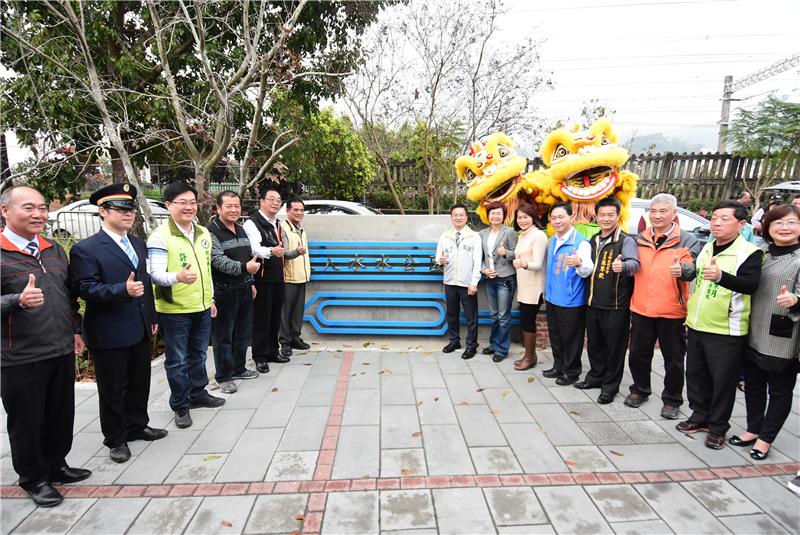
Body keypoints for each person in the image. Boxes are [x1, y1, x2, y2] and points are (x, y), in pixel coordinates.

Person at [1, 185, 91, 507]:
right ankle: (34, 478)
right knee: (27, 420)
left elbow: (68, 297)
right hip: (20, 354)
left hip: (60, 347)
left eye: (42, 207)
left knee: (59, 414)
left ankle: (57, 465)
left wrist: (76, 330)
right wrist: (16, 301)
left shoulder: (53, 249)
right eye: (29, 208)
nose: (39, 214)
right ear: (6, 211)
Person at [70, 184, 167, 464]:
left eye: (131, 209)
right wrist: (120, 291)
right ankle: (116, 437)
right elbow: (85, 288)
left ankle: (137, 424)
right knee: (113, 388)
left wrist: (151, 317)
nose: (129, 214)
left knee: (140, 381)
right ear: (102, 211)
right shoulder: (86, 249)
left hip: (138, 326)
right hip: (109, 329)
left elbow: (145, 285)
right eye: (121, 209)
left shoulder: (137, 243)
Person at [678, 200, 763, 450]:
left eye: (725, 218)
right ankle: (699, 415)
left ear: (741, 224)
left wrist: (722, 277)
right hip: (697, 323)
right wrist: (685, 271)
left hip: (726, 330)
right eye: (714, 217)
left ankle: (717, 428)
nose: (717, 222)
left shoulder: (749, 253)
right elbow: (700, 277)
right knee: (695, 375)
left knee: (722, 382)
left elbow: (751, 286)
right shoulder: (708, 247)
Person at [147, 182, 225, 430]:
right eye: (182, 203)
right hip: (174, 310)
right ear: (168, 205)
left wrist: (210, 299)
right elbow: (155, 274)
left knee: (199, 354)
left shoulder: (202, 233)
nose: (189, 207)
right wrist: (177, 277)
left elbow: (207, 271)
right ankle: (180, 404)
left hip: (201, 306)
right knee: (177, 360)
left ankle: (198, 392)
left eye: (192, 202)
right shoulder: (160, 236)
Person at [728, 204, 799, 460]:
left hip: (784, 336)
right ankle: (753, 428)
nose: (784, 228)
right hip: (754, 329)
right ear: (767, 226)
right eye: (778, 223)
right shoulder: (761, 253)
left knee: (779, 390)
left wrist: (796, 300)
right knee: (754, 385)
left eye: (791, 223)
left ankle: (766, 439)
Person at [626, 193, 702, 419]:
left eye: (663, 211)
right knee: (638, 354)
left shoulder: (687, 240)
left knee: (674, 359)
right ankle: (640, 390)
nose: (657, 216)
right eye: (654, 211)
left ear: (674, 214)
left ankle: (672, 400)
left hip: (672, 310)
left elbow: (694, 267)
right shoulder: (639, 238)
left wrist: (684, 271)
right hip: (641, 307)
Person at [576, 197, 640, 403]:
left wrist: (625, 266)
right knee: (594, 345)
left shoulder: (625, 240)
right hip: (593, 303)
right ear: (596, 215)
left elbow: (634, 264)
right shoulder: (593, 240)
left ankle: (610, 386)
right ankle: (595, 377)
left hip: (616, 305)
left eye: (610, 215)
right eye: (602, 214)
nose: (605, 219)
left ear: (618, 216)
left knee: (614, 348)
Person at [208, 191, 260, 395]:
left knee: (243, 332)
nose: (233, 210)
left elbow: (248, 257)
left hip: (245, 287)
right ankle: (224, 376)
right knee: (223, 336)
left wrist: (251, 281)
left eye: (236, 206)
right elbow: (218, 261)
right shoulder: (211, 231)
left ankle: (239, 368)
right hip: (224, 290)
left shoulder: (240, 228)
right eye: (228, 206)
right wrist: (245, 269)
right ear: (218, 209)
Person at [542, 202, 593, 386]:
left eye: (560, 217)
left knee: (571, 338)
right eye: (553, 218)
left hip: (571, 301)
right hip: (553, 297)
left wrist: (579, 262)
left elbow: (588, 269)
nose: (556, 221)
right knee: (555, 335)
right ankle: (558, 366)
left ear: (571, 218)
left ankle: (571, 372)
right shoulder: (553, 240)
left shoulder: (580, 242)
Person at [243, 185, 287, 372]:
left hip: (277, 276)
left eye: (278, 200)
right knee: (261, 318)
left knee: (275, 316)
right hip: (262, 277)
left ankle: (272, 351)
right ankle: (259, 356)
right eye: (271, 199)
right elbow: (252, 248)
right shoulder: (252, 223)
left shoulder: (276, 222)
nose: (275, 203)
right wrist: (271, 251)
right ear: (261, 201)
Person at [436, 203, 482, 360]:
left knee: (471, 317)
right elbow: (438, 257)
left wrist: (474, 282)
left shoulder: (474, 237)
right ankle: (454, 341)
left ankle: (471, 345)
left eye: (461, 215)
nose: (458, 217)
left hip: (467, 283)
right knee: (452, 315)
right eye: (455, 215)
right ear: (451, 217)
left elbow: (477, 262)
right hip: (449, 282)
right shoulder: (445, 236)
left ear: (466, 217)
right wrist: (440, 260)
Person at [479, 201, 519, 362]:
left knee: (503, 316)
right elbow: (479, 257)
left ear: (504, 216)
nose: (495, 216)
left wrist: (506, 253)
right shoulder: (482, 233)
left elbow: (517, 254)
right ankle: (494, 344)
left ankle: (502, 349)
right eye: (492, 213)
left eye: (499, 213)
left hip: (506, 278)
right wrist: (483, 269)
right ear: (488, 215)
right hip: (489, 278)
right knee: (494, 315)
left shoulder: (510, 232)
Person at [511, 203, 547, 370]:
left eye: (526, 217)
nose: (522, 220)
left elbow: (538, 263)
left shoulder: (538, 236)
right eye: (519, 217)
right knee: (526, 321)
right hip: (524, 285)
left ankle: (529, 357)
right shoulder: (522, 235)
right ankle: (530, 355)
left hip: (535, 286)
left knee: (528, 321)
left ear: (533, 217)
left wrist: (524, 263)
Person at [279, 197, 311, 358]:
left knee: (297, 311)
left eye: (301, 210)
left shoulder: (300, 228)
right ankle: (284, 342)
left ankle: (294, 337)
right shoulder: (283, 228)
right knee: (285, 312)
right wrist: (295, 253)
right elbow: (281, 253)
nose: (299, 213)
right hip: (288, 276)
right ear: (287, 211)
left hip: (301, 276)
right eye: (295, 210)